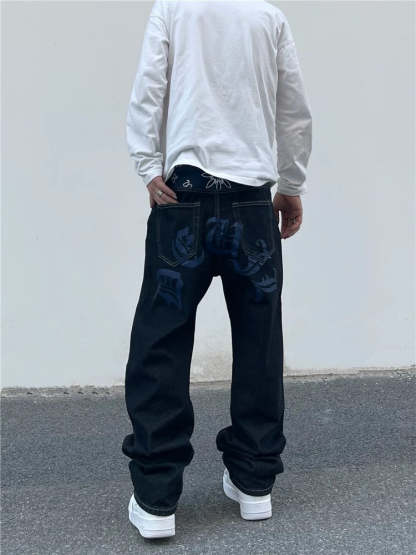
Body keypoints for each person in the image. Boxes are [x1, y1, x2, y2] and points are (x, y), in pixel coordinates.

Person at [122, 0, 312, 539]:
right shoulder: (267, 17)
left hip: (182, 197)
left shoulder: (174, 9)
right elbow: (293, 108)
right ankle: (254, 483)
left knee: (160, 342)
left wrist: (147, 166)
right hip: (252, 202)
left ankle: (157, 498)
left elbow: (148, 91)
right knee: (259, 341)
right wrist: (291, 183)